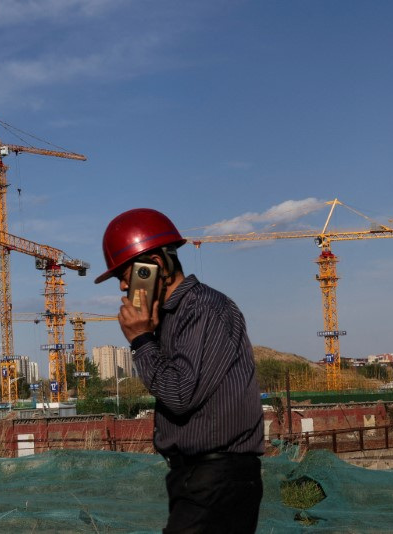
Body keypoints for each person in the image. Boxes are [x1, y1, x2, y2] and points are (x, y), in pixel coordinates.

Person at [95, 208, 264, 534]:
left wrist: (141, 339)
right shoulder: (170, 317)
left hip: (219, 476)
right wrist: (151, 334)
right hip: (198, 478)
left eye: (126, 274)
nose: (123, 286)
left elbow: (179, 393)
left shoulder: (201, 308)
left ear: (156, 265)